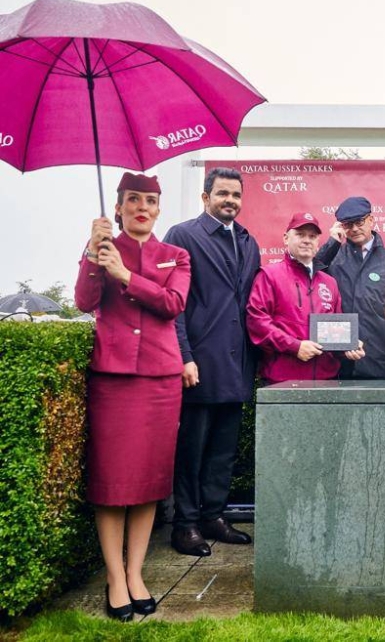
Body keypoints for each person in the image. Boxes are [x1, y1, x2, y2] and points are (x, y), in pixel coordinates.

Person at [74, 172, 191, 621]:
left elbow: (172, 304)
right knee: (112, 483)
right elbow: (85, 301)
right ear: (118, 207)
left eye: (150, 200)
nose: (142, 207)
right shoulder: (101, 249)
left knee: (147, 482)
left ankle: (136, 572)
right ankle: (115, 577)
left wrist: (124, 275)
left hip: (160, 379)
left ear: (159, 209)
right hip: (114, 380)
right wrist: (92, 254)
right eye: (132, 200)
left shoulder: (175, 254)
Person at [162, 167, 259, 557]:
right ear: (205, 197)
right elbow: (174, 307)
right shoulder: (182, 236)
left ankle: (213, 517)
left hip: (237, 365)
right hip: (198, 363)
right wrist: (185, 356)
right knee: (192, 448)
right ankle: (185, 524)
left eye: (235, 194)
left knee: (222, 449)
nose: (230, 200)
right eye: (222, 194)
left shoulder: (248, 241)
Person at [247, 212, 365, 383]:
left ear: (318, 242)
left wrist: (350, 345)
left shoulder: (330, 282)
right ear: (286, 238)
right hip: (282, 381)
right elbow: (257, 323)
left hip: (326, 381)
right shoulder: (269, 275)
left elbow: (335, 331)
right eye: (300, 234)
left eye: (312, 236)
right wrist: (295, 347)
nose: (307, 240)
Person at [314, 196, 385, 379]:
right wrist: (332, 244)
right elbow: (308, 275)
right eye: (348, 224)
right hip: (338, 360)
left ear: (371, 220)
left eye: (359, 222)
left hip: (378, 358)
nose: (354, 229)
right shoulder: (334, 256)